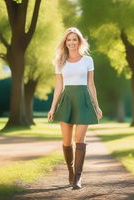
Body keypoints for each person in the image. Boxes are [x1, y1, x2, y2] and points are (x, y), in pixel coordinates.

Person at [47, 27, 103, 190]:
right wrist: (52, 108)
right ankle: (70, 171)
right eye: (69, 39)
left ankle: (78, 178)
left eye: (75, 39)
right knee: (66, 141)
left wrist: (96, 105)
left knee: (79, 139)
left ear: (79, 42)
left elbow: (91, 84)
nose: (71, 42)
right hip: (66, 101)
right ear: (65, 42)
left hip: (84, 101)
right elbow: (58, 86)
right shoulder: (59, 61)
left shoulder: (88, 61)